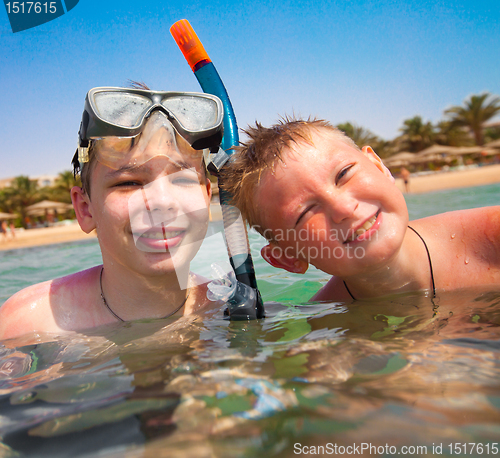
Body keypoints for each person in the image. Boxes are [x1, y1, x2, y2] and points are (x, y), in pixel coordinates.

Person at [0, 86, 225, 341]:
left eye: (183, 180)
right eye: (128, 183)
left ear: (207, 197)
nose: (163, 201)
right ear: (85, 209)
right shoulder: (30, 324)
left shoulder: (229, 308)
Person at [222, 117, 500, 302]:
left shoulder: (492, 241)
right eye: (306, 213)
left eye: (343, 174)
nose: (343, 207)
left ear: (379, 166)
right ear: (287, 258)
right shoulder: (322, 327)